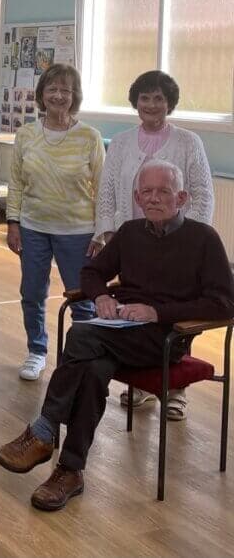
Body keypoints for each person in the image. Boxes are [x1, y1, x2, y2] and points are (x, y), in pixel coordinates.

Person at [0, 160, 234, 512]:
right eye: (146, 192)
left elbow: (224, 304)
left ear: (181, 197)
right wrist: (102, 296)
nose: (153, 199)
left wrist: (157, 313)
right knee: (91, 370)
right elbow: (91, 272)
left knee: (82, 336)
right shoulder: (131, 231)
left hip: (168, 337)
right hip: (120, 331)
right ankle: (70, 471)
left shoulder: (203, 239)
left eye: (163, 191)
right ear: (137, 197)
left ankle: (44, 431)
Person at [96, 70, 215, 419]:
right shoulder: (120, 142)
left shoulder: (189, 142)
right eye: (145, 98)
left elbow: (203, 193)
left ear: (169, 103)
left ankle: (174, 389)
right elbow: (107, 191)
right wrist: (108, 233)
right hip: (135, 242)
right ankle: (141, 383)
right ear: (136, 102)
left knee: (176, 309)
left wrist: (192, 238)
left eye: (159, 98)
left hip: (177, 243)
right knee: (136, 306)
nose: (151, 104)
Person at [6, 64, 104, 382]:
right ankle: (37, 351)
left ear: (74, 96)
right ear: (42, 95)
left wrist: (102, 231)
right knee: (32, 291)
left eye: (66, 90)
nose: (59, 96)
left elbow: (102, 187)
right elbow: (17, 182)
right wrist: (13, 222)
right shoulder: (26, 134)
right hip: (33, 226)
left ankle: (80, 357)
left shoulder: (89, 137)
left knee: (82, 298)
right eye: (52, 89)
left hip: (79, 230)